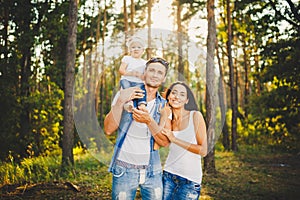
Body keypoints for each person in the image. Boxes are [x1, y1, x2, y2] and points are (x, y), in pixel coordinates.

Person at [104, 57, 171, 200]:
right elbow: (108, 129)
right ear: (144, 73)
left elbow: (164, 142)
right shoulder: (126, 94)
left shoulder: (165, 105)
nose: (154, 75)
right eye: (151, 70)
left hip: (153, 172)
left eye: (159, 72)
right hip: (124, 169)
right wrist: (121, 100)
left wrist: (149, 121)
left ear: (164, 78)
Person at [160, 81, 208, 200]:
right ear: (168, 97)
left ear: (187, 100)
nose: (177, 97)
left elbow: (203, 150)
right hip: (168, 175)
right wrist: (164, 115)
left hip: (189, 180)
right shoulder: (169, 120)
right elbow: (162, 142)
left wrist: (175, 139)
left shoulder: (195, 116)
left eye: (182, 94)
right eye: (174, 93)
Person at [119, 36, 147, 112]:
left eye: (139, 47)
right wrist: (132, 73)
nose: (136, 49)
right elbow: (121, 70)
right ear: (130, 50)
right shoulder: (127, 59)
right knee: (126, 86)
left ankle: (142, 104)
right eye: (133, 47)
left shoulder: (144, 63)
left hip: (138, 82)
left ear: (143, 50)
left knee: (141, 89)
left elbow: (145, 76)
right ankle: (129, 102)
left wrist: (141, 76)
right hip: (127, 80)